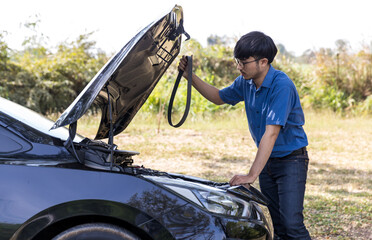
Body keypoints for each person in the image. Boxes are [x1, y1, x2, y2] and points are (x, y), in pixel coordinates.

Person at [178, 31, 311, 239]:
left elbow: (271, 133)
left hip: (291, 161)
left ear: (263, 62)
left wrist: (251, 175)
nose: (239, 67)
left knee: (292, 225)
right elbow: (218, 97)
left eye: (244, 62)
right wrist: (190, 76)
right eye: (237, 61)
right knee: (278, 227)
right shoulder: (245, 83)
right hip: (268, 162)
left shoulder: (281, 85)